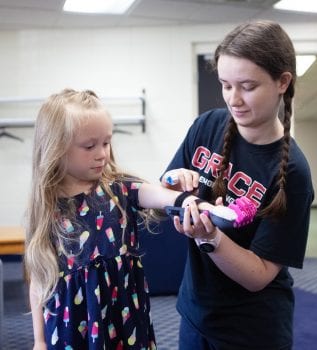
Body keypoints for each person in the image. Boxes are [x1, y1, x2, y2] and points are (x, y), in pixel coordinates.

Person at [161, 20, 314, 350]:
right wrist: (174, 183)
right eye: (225, 85)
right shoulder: (207, 125)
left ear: (282, 82)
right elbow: (167, 188)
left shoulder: (293, 172)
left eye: (247, 86)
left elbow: (258, 275)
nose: (234, 98)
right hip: (196, 314)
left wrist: (210, 236)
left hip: (252, 331)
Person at [24, 88, 216, 350]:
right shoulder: (48, 206)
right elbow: (39, 277)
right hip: (73, 327)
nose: (102, 153)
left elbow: (159, 195)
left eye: (106, 142)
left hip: (124, 320)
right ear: (55, 148)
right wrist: (39, 340)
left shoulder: (119, 188)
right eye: (89, 146)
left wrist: (190, 200)